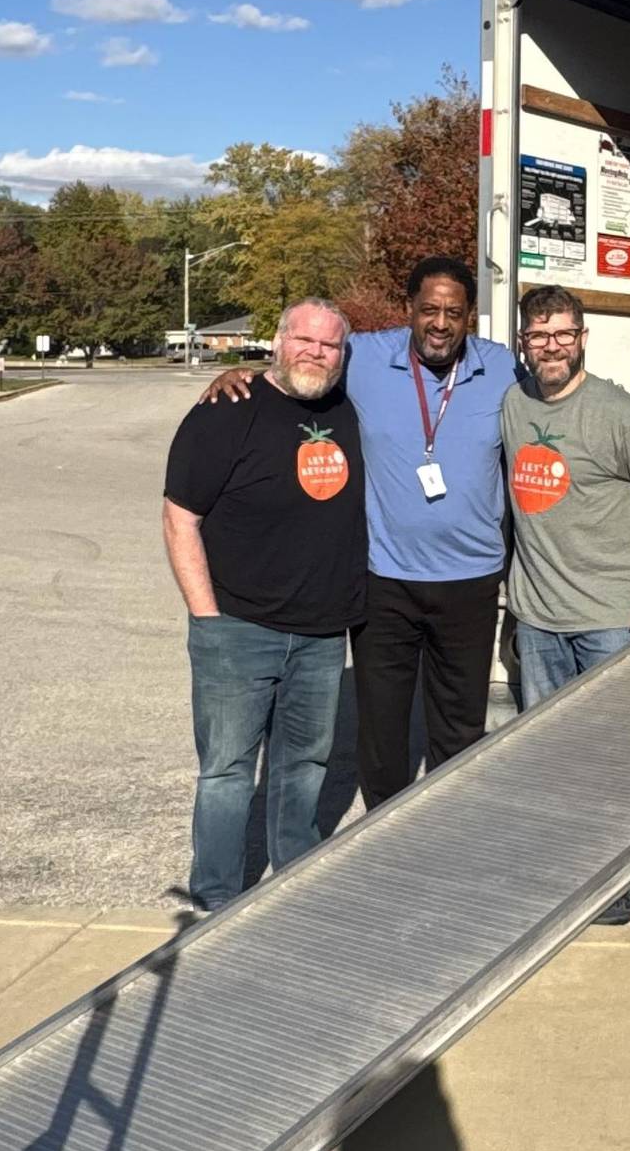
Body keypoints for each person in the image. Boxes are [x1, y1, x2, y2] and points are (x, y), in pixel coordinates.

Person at [202, 256, 523, 809]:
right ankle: (386, 829)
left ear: (471, 315)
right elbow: (306, 366)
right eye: (429, 310)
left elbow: (560, 403)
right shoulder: (367, 357)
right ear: (409, 311)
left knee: (459, 721)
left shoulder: (503, 368)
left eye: (453, 312)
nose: (440, 323)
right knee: (381, 723)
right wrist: (246, 377)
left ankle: (452, 822)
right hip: (384, 579)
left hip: (470, 581)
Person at [163, 298, 365, 911]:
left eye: (329, 345)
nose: (316, 352)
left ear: (343, 355)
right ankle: (214, 898)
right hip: (236, 626)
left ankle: (294, 880)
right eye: (304, 340)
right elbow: (179, 517)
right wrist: (206, 616)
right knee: (226, 771)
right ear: (278, 342)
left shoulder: (348, 405)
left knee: (304, 763)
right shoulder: (227, 409)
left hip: (323, 632)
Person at [502, 285, 630, 924]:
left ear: (582, 339)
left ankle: (615, 885)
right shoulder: (512, 404)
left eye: (562, 335)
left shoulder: (623, 414)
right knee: (548, 755)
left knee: (611, 759)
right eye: (538, 334)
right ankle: (560, 869)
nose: (551, 346)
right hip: (537, 617)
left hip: (609, 616)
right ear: (523, 342)